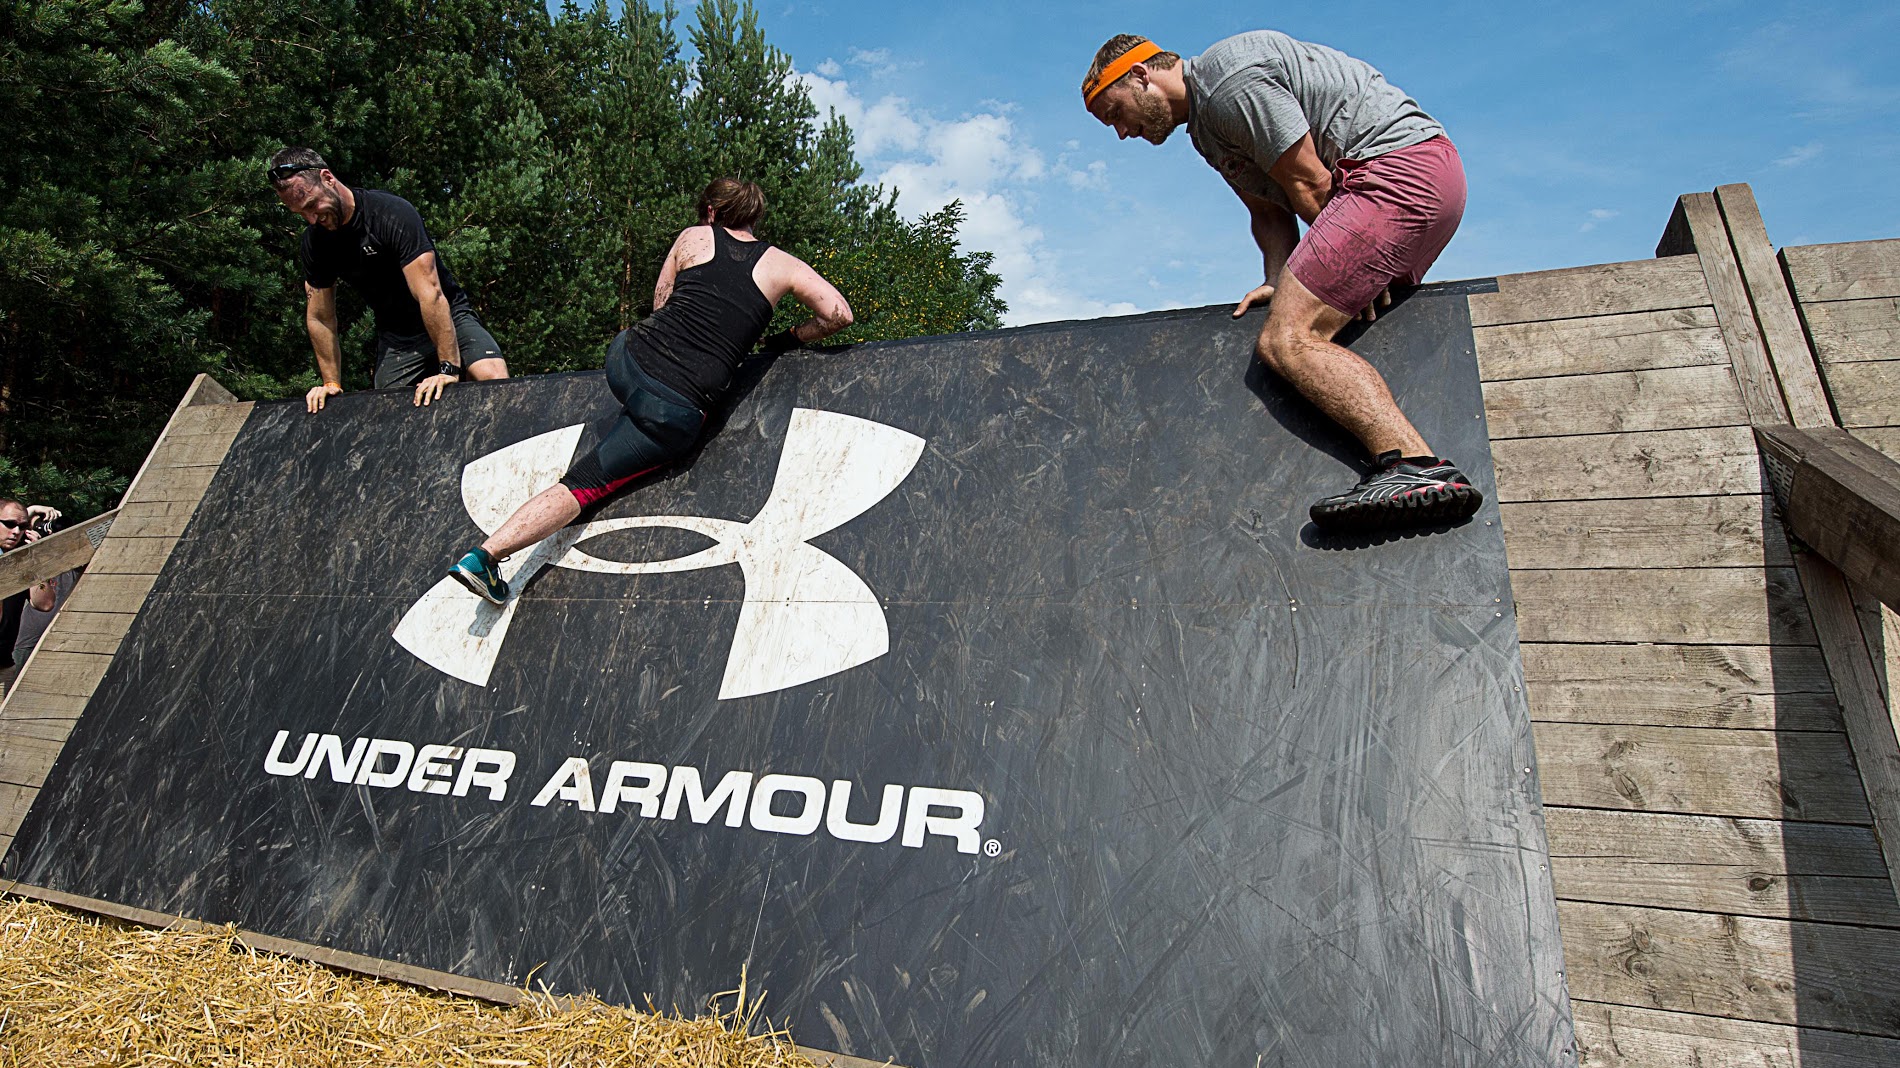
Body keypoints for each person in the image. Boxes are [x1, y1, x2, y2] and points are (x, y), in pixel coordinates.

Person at [1082, 32, 1482, 532]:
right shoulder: (1206, 129)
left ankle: (1416, 467)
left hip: (1399, 171)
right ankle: (1413, 464)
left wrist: (1350, 261)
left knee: (1287, 340)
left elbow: (1310, 180)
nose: (1121, 132)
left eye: (1115, 113)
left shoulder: (1227, 80)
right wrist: (1278, 276)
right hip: (1410, 183)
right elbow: (1269, 211)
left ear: (1139, 75)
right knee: (1307, 320)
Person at [447, 177, 854, 604]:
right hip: (673, 410)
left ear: (712, 213)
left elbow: (662, 301)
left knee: (638, 386)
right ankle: (486, 556)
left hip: (627, 360)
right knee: (585, 484)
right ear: (755, 217)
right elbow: (838, 314)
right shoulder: (784, 265)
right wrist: (785, 339)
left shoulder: (693, 238)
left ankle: (488, 553)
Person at [267, 147, 509, 414]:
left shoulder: (390, 213)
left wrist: (449, 369)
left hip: (449, 317)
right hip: (398, 338)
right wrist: (331, 382)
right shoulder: (315, 243)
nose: (312, 218)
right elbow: (320, 317)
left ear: (327, 178)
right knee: (386, 414)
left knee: (492, 378)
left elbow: (430, 293)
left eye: (313, 205)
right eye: (301, 214)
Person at [0, 500, 63, 695]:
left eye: (22, 527)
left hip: (3, 665)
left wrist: (36, 560)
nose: (16, 531)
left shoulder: (23, 561)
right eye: (10, 524)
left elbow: (44, 604)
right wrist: (32, 509)